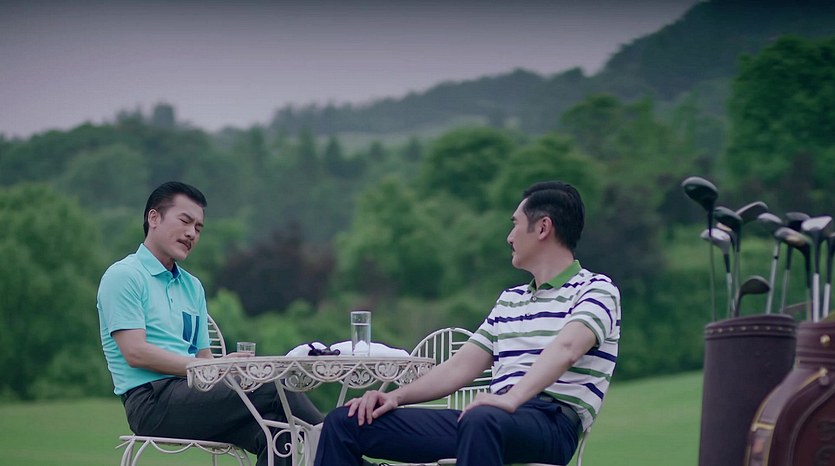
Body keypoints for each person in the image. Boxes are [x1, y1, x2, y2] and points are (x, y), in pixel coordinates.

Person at [314, 181, 621, 466]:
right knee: (345, 422)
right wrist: (395, 397)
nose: (509, 237)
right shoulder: (510, 300)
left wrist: (511, 399)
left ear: (543, 227)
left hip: (550, 424)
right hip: (488, 420)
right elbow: (459, 367)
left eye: (515, 224)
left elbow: (567, 348)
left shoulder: (596, 290)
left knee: (481, 419)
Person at [97, 181, 323, 466]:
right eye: (185, 221)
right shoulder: (125, 276)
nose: (192, 233)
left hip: (195, 395)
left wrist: (224, 365)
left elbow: (204, 361)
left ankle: (336, 443)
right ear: (153, 218)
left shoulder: (192, 286)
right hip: (151, 402)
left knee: (278, 430)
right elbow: (135, 353)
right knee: (275, 385)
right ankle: (342, 445)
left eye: (198, 228)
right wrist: (209, 368)